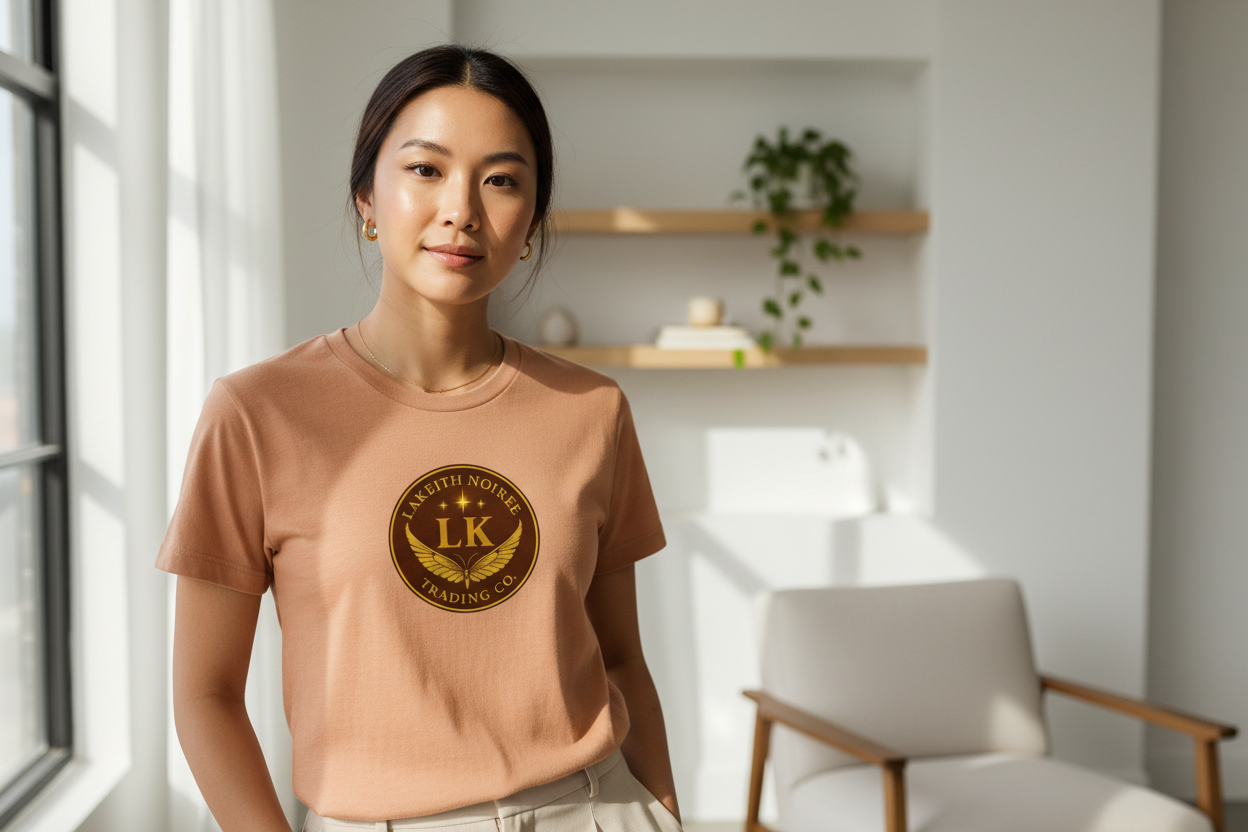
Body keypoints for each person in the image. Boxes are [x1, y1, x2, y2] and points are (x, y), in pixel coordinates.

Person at [159, 44, 681, 832]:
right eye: (426, 170)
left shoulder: (591, 409)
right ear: (367, 195)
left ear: (531, 222)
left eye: (501, 180)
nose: (462, 209)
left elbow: (621, 663)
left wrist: (668, 814)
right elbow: (205, 695)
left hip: (594, 808)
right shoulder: (257, 414)